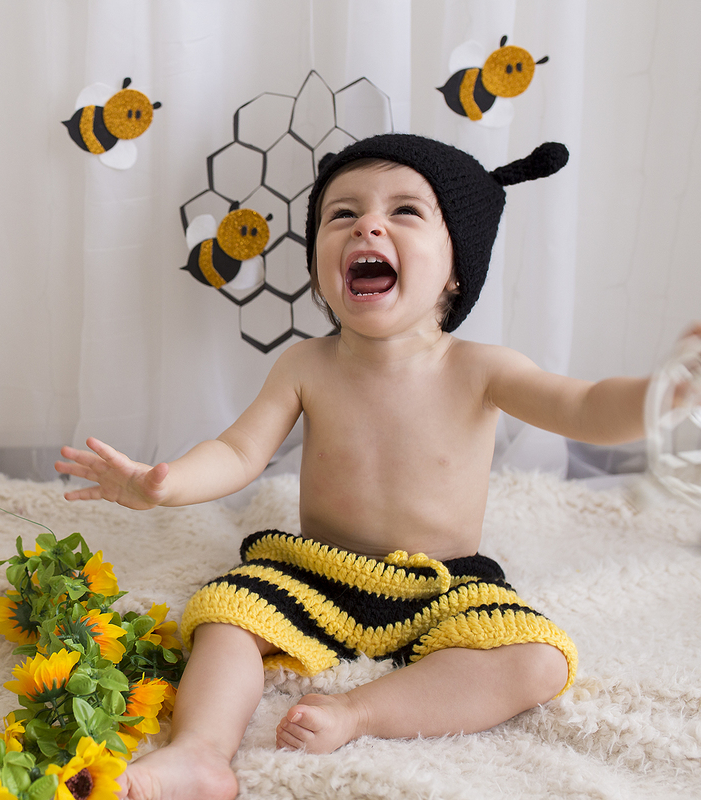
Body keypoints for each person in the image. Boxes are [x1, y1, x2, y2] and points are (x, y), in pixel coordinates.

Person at [55, 133, 700, 800]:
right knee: (225, 615)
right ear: (318, 271)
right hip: (315, 571)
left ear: (455, 270)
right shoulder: (307, 365)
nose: (368, 223)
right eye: (342, 214)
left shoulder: (481, 368)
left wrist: (666, 391)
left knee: (536, 660)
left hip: (440, 583)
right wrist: (167, 484)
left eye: (406, 212)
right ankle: (200, 754)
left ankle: (362, 711)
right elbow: (240, 452)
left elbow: (587, 406)